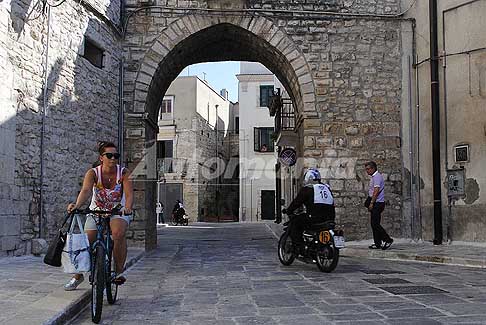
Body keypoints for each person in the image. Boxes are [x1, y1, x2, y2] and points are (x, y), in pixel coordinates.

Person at [65, 141, 133, 290]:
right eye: (109, 155)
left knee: (118, 233)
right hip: (96, 210)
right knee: (87, 242)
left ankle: (118, 271)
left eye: (116, 155)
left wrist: (127, 208)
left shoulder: (123, 173)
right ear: (101, 157)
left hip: (118, 210)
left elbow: (129, 194)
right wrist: (77, 205)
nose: (113, 158)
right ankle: (78, 276)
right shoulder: (93, 173)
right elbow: (86, 191)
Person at [284, 168, 335, 254]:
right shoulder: (327, 188)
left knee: (295, 222)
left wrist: (289, 210)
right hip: (330, 218)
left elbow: (297, 202)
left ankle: (299, 246)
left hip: (314, 218)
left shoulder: (308, 189)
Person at [365, 161, 393, 250]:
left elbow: (376, 191)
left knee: (375, 224)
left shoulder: (377, 177)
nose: (367, 171)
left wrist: (372, 203)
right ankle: (377, 243)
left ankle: (387, 239)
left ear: (373, 168)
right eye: (366, 169)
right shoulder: (374, 177)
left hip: (377, 203)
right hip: (376, 203)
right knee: (374, 224)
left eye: (368, 169)